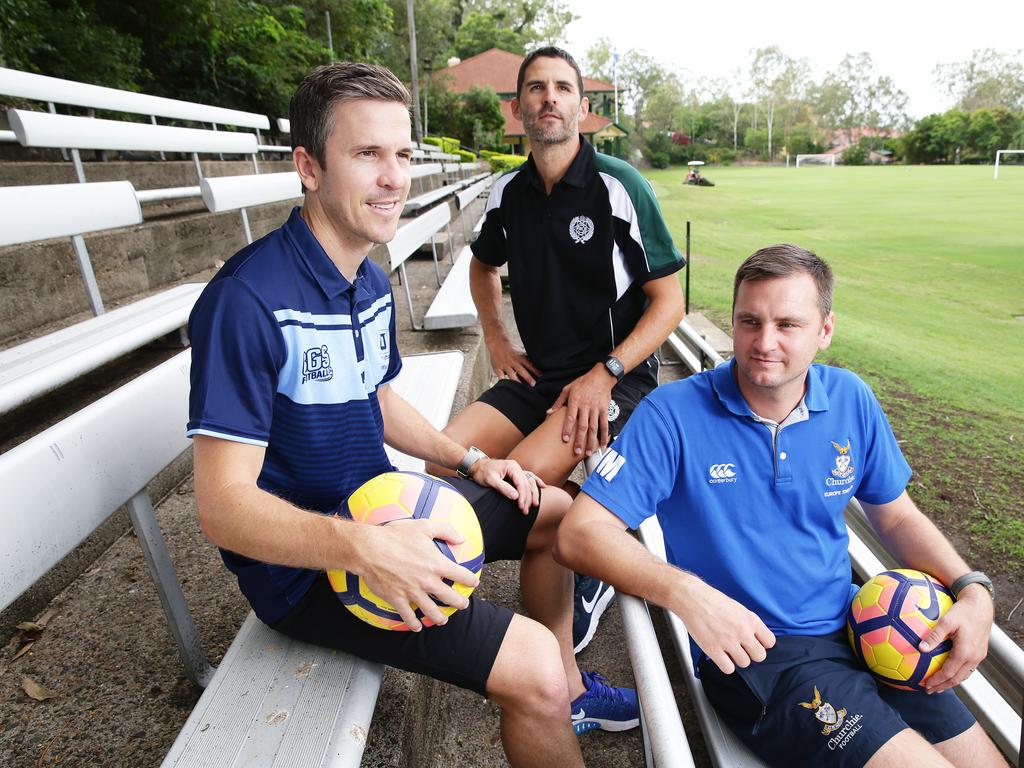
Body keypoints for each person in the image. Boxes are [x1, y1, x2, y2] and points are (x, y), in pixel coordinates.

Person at [186, 62, 640, 765]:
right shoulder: (246, 302)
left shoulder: (367, 274)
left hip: (383, 512)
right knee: (530, 669)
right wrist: (364, 548)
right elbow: (222, 509)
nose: (393, 177)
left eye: (400, 153)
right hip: (313, 573)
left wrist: (474, 462)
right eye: (367, 154)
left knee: (562, 514)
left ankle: (573, 688)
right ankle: (554, 688)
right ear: (308, 166)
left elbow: (377, 397)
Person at [555, 244, 1007, 767]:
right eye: (749, 321)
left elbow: (897, 515)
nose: (763, 343)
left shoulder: (851, 398)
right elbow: (579, 532)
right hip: (760, 657)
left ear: (825, 330)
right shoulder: (673, 413)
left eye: (788, 324)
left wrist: (972, 588)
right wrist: (686, 594)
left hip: (867, 626)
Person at [428, 46, 686, 653]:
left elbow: (669, 303)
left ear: (582, 106)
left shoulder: (619, 185)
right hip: (539, 376)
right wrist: (496, 339)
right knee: (440, 466)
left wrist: (607, 372)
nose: (550, 98)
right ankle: (590, 528)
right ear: (517, 109)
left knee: (511, 490)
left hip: (613, 379)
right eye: (537, 88)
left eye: (563, 88)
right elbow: (483, 268)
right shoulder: (507, 193)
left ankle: (591, 537)